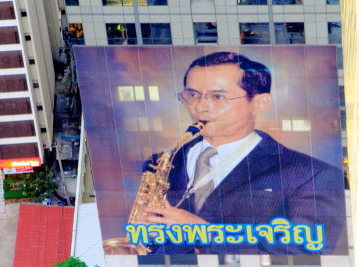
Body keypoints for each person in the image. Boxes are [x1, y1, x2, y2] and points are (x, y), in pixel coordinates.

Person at [136, 51, 347, 255]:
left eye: (217, 96)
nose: (200, 108)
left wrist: (205, 233)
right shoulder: (159, 164)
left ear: (259, 103)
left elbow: (307, 252)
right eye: (192, 95)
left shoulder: (313, 174)